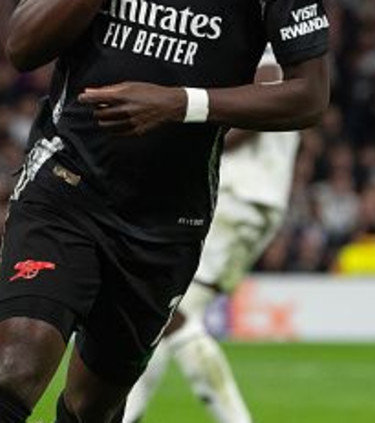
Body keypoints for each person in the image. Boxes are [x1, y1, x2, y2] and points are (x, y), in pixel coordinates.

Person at [0, 1, 331, 422]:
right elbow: (22, 47)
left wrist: (180, 104)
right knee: (18, 360)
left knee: (94, 405)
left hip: (167, 220)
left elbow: (310, 95)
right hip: (66, 183)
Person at [124, 45, 301, 423]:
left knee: (173, 312)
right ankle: (127, 414)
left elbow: (257, 112)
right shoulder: (276, 59)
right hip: (253, 201)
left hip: (239, 197)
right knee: (169, 313)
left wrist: (192, 140)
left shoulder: (265, 56)